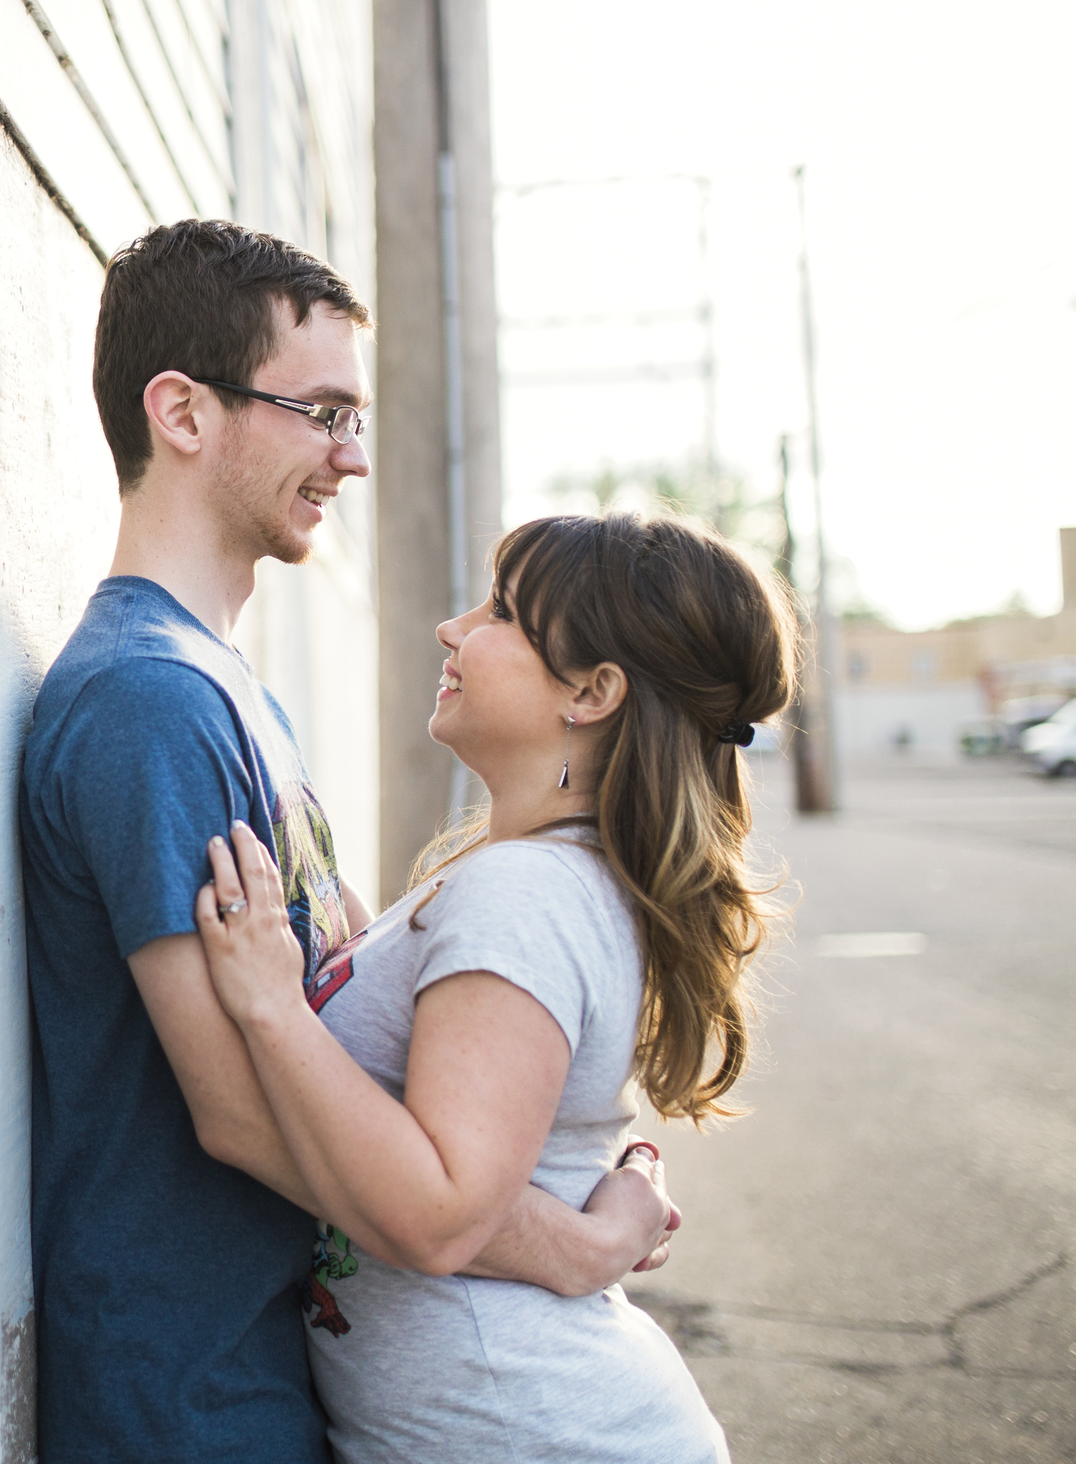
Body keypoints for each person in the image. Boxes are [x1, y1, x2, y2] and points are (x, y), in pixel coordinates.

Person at [19, 221, 679, 1464]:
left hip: (279, 1363)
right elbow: (240, 1114)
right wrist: (579, 1242)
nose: (354, 455)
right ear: (182, 411)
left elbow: (363, 1014)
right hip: (188, 1393)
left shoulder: (230, 694)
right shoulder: (144, 704)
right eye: (321, 412)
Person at [194, 510, 794, 1462]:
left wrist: (272, 1008)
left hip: (533, 1430)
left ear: (592, 692)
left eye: (503, 613)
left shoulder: (527, 894)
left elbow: (437, 1210)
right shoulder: (532, 873)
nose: (454, 628)